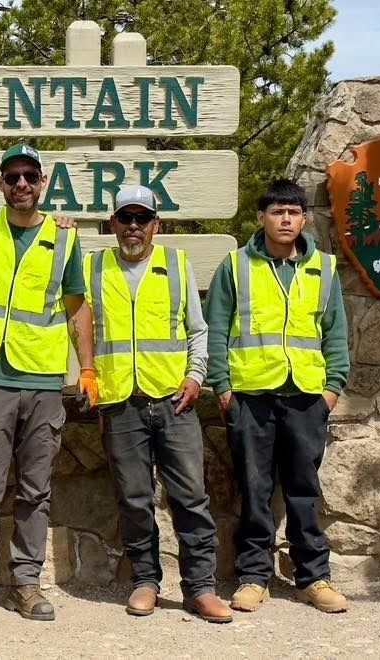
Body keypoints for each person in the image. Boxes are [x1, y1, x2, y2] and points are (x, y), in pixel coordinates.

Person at [0, 143, 96, 622]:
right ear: (0, 183)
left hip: (43, 380)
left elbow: (78, 308)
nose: (20, 185)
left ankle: (27, 584)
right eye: (12, 176)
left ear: (42, 182)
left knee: (35, 491)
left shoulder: (65, 238)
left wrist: (88, 369)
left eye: (29, 177)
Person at [84, 185, 233, 622]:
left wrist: (195, 375)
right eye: (124, 218)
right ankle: (145, 581)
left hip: (174, 401)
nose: (133, 227)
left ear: (156, 224)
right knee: (134, 498)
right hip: (119, 401)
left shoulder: (177, 264)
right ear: (112, 224)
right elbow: (80, 327)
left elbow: (197, 329)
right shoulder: (94, 267)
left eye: (142, 218)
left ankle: (200, 588)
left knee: (191, 497)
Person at [204, 178, 350, 614]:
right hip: (251, 396)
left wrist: (332, 389)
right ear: (261, 217)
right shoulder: (235, 266)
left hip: (307, 397)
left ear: (304, 218)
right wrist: (224, 389)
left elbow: (335, 333)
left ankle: (314, 578)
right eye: (276, 211)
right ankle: (253, 576)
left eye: (293, 211)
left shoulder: (324, 267)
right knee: (254, 488)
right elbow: (216, 330)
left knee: (304, 491)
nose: (285, 218)